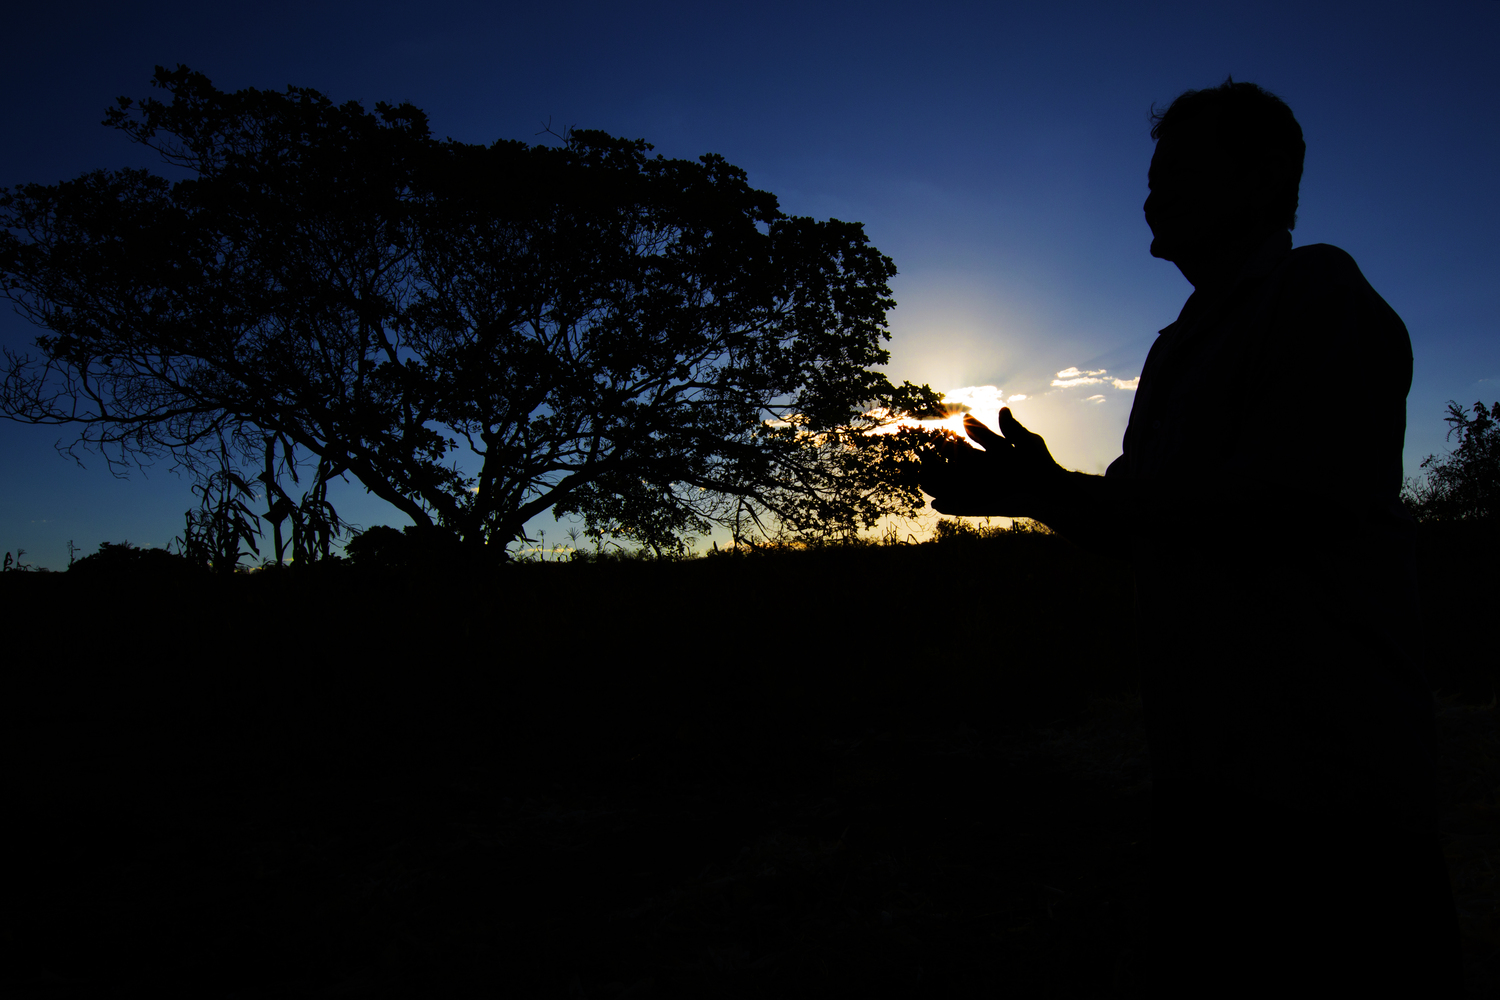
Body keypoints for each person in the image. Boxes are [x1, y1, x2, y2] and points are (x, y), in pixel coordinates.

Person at [920, 78, 1463, 997]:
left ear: (1259, 180)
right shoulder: (1178, 346)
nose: (1151, 195)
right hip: (1208, 762)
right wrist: (1044, 495)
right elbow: (1156, 529)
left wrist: (1059, 489)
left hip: (1330, 769)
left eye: (1178, 171)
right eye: (1150, 174)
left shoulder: (1318, 291)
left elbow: (1286, 503)